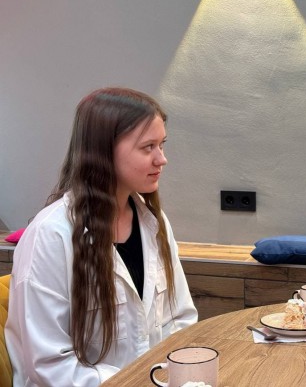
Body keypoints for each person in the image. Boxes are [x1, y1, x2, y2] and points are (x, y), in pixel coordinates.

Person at [5, 88, 198, 386]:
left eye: (162, 145)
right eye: (148, 147)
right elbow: (50, 365)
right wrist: (138, 381)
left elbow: (181, 319)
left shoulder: (153, 222)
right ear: (104, 151)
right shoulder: (50, 236)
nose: (162, 159)